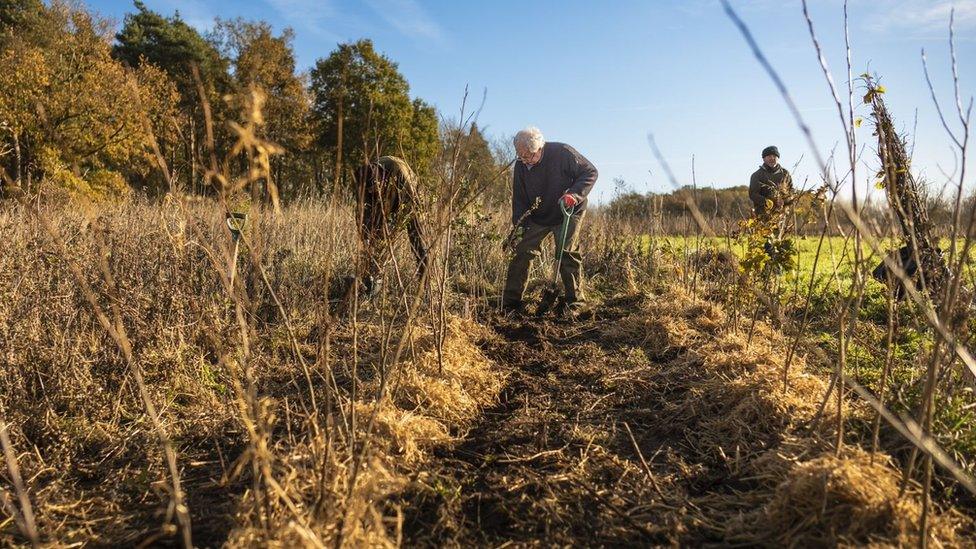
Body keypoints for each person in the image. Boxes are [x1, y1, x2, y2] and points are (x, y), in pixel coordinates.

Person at [502, 127, 598, 317]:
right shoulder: (521, 165)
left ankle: (575, 303)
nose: (526, 161)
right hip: (539, 214)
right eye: (521, 157)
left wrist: (575, 194)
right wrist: (519, 227)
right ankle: (511, 304)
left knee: (566, 252)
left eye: (530, 156)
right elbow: (519, 200)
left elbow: (590, 172)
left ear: (540, 148)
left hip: (568, 211)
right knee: (522, 251)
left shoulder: (562, 152)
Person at [351, 155, 428, 296]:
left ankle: (426, 284)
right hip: (385, 200)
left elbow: (413, 207)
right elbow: (362, 215)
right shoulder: (363, 179)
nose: (371, 192)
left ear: (381, 180)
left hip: (410, 198)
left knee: (418, 242)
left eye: (373, 188)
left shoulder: (401, 172)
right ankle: (372, 282)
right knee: (374, 239)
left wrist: (394, 227)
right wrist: (368, 240)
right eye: (368, 190)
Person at [749, 145, 792, 216]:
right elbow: (753, 194)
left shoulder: (785, 174)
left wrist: (784, 200)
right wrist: (767, 201)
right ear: (764, 159)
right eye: (769, 156)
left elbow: (791, 191)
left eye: (774, 156)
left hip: (782, 215)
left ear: (778, 158)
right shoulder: (757, 175)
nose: (772, 158)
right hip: (763, 214)